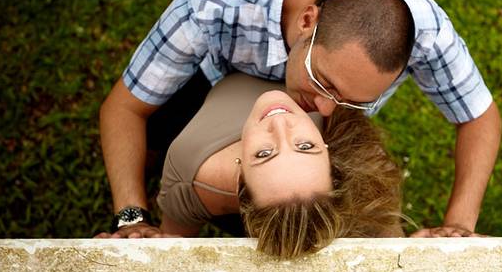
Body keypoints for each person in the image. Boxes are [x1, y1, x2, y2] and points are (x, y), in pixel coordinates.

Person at [100, 0, 501, 238]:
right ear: (308, 21)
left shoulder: (425, 33)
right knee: (162, 129)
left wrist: (459, 226)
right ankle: (149, 169)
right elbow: (125, 108)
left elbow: (479, 117)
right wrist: (132, 217)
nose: (326, 109)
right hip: (212, 80)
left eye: (351, 100)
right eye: (324, 82)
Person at [96, 74, 406, 259]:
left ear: (240, 170)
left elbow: (170, 243)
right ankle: (149, 151)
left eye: (265, 153)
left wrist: (140, 233)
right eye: (305, 147)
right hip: (198, 88)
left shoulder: (190, 179)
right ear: (328, 152)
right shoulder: (344, 129)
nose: (281, 124)